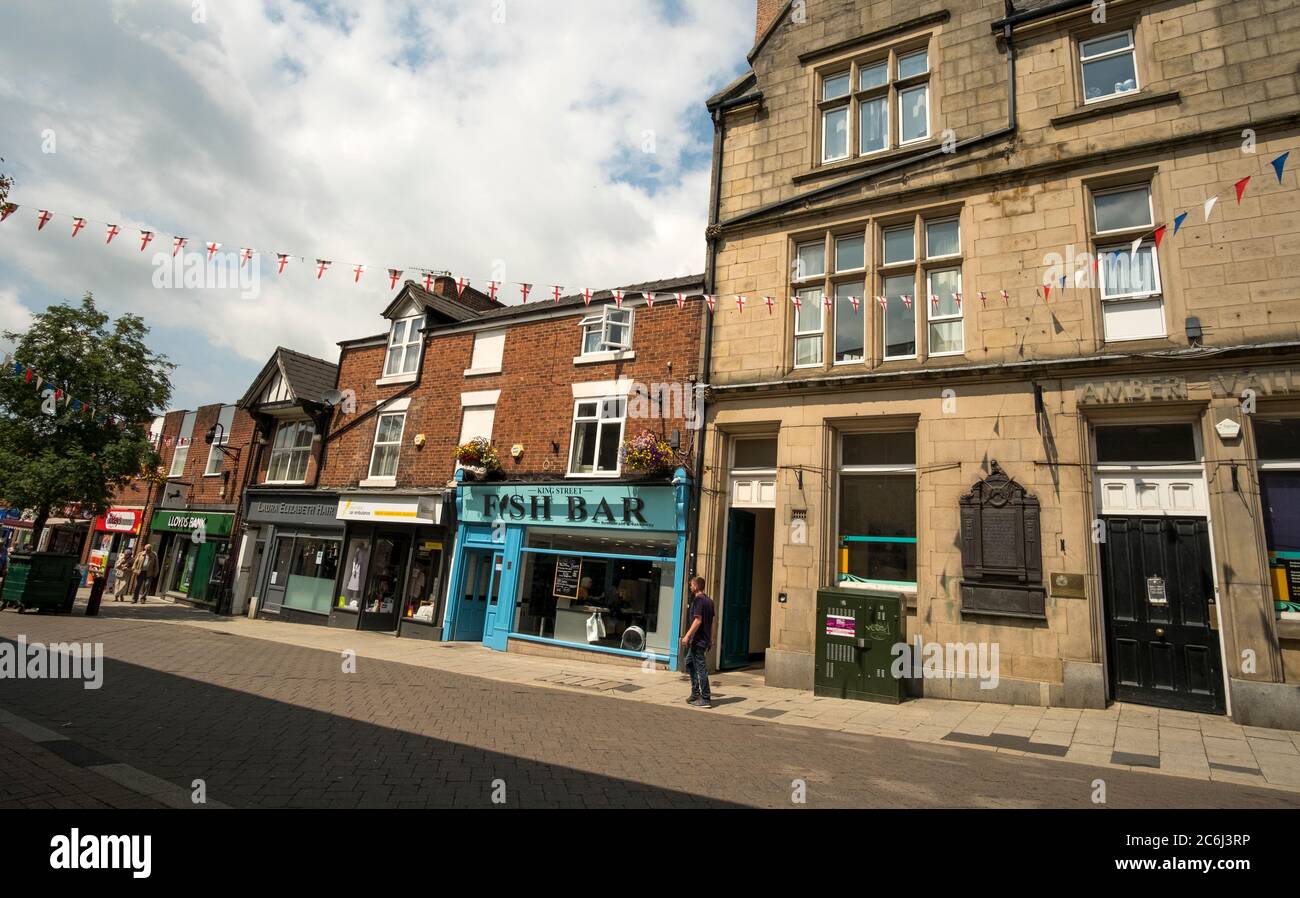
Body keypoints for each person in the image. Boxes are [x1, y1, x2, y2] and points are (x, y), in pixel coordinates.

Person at [680, 576, 716, 709]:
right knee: (689, 662)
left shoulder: (698, 601)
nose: (690, 587)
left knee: (701, 668)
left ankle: (705, 698)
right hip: (704, 639)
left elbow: (698, 620)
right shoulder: (709, 601)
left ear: (696, 586)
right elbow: (712, 622)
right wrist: (712, 638)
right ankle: (695, 693)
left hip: (698, 640)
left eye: (691, 585)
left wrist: (687, 636)